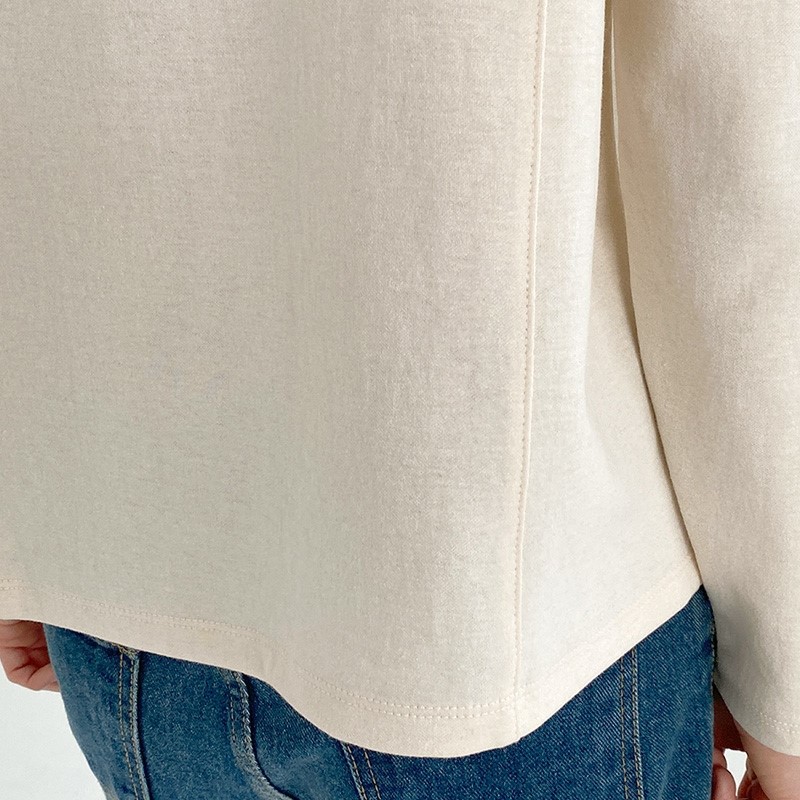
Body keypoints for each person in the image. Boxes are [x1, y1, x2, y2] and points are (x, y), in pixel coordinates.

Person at [1, 0, 798, 797]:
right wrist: (786, 686)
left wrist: (32, 532)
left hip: (123, 574)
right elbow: (735, 132)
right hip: (504, 616)